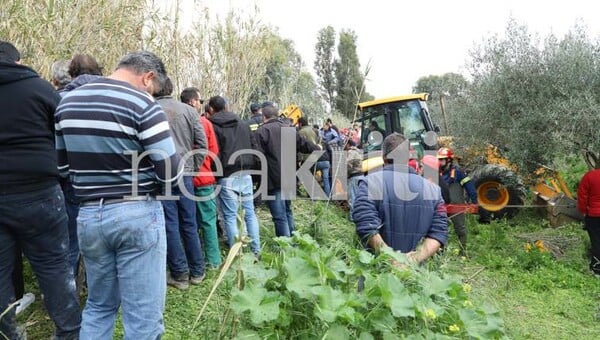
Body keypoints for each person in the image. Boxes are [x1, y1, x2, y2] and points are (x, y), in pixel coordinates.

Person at [55, 51, 180, 339]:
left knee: (99, 306)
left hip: (88, 216)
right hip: (135, 213)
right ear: (147, 77)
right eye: (155, 89)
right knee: (143, 317)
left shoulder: (67, 102)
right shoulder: (142, 103)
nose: (153, 94)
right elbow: (170, 172)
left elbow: (62, 166)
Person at [0, 40, 81, 340]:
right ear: (17, 62)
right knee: (55, 267)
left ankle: (8, 334)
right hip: (40, 192)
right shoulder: (39, 88)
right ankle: (69, 333)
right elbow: (66, 132)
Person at [353, 133, 448, 263]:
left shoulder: (369, 183)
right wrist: (414, 259)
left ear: (383, 156)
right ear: (409, 157)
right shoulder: (434, 191)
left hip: (375, 276)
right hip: (416, 277)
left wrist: (392, 260)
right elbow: (439, 232)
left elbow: (366, 226)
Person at [155, 78, 207, 289]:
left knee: (171, 223)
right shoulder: (189, 111)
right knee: (189, 222)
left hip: (163, 173)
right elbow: (201, 143)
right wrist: (194, 167)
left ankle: (180, 274)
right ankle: (198, 270)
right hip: (185, 172)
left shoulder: (149, 109)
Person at [59, 54, 104, 283]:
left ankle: (69, 289)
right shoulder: (114, 95)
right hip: (112, 181)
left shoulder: (60, 98)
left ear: (71, 73)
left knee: (71, 239)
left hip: (73, 180)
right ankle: (98, 286)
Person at [207, 96, 261, 255]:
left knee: (230, 216)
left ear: (211, 109)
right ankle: (256, 251)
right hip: (245, 173)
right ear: (227, 106)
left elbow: (213, 151)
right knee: (249, 214)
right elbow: (254, 146)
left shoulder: (212, 125)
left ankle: (236, 254)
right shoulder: (243, 124)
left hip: (226, 175)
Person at [255, 104, 320, 236]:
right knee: (288, 211)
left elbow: (258, 157)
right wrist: (317, 148)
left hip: (273, 178)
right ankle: (293, 238)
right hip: (289, 176)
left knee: (279, 216)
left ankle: (286, 245)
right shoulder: (288, 129)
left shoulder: (262, 131)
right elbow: (303, 145)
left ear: (264, 116)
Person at [191, 101, 222, 268]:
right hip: (204, 178)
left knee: (189, 223)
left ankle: (194, 260)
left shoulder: (173, 120)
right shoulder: (204, 123)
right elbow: (214, 151)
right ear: (193, 102)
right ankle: (213, 260)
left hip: (182, 179)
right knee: (209, 221)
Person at [437, 147, 477, 255]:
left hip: (456, 206)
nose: (439, 162)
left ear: (449, 160)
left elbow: (470, 188)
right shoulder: (436, 173)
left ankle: (463, 253)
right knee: (439, 229)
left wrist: (474, 202)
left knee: (461, 230)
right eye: (438, 160)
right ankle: (440, 253)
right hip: (442, 206)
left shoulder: (458, 173)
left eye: (441, 160)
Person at [298, 117, 331, 197]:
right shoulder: (313, 131)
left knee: (305, 174)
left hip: (305, 156)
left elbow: (299, 145)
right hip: (314, 156)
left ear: (300, 124)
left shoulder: (301, 132)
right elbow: (316, 144)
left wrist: (299, 159)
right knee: (311, 175)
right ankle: (317, 195)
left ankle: (312, 194)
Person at [577, 167, 600, 276]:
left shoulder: (590, 176)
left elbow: (582, 196)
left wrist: (583, 211)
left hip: (594, 215)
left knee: (596, 241)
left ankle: (597, 268)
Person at [346, 140, 363, 220]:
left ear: (348, 145)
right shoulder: (359, 152)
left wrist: (345, 173)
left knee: (352, 197)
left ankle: (353, 218)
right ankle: (360, 216)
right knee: (359, 197)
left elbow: (348, 163)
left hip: (354, 176)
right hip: (361, 175)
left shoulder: (351, 152)